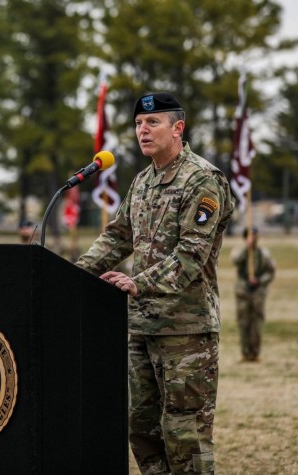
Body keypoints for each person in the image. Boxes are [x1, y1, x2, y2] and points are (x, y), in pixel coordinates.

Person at [74, 92, 234, 474]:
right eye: (138, 125)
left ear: (178, 128)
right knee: (142, 431)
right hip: (142, 327)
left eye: (152, 123)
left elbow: (190, 257)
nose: (142, 131)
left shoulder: (202, 181)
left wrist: (137, 283)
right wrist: (72, 275)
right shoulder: (144, 182)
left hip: (186, 330)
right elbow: (116, 238)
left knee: (184, 435)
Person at [230, 227, 275, 363]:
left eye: (256, 235)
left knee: (257, 322)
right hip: (243, 291)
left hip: (258, 292)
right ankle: (245, 352)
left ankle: (255, 353)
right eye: (251, 236)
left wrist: (260, 280)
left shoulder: (264, 253)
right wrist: (246, 249)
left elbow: (270, 271)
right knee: (243, 322)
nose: (254, 238)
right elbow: (236, 261)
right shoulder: (239, 251)